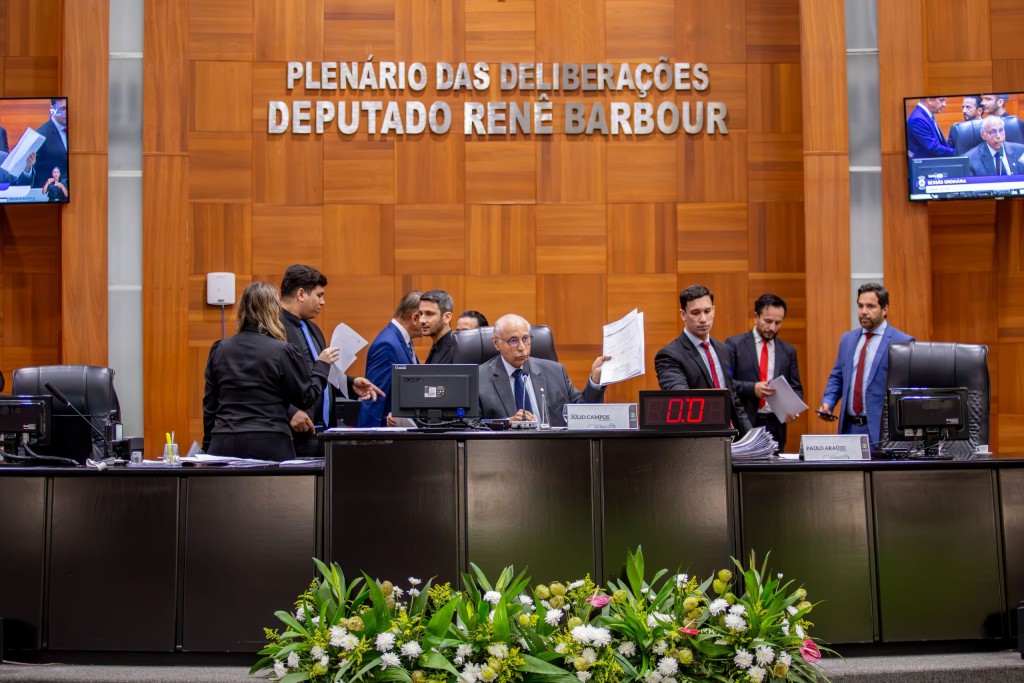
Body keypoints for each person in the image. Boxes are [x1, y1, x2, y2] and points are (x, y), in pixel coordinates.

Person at [202, 281, 339, 461]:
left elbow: (210, 406)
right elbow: (306, 397)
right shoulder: (282, 351)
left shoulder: (219, 349)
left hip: (224, 441)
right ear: (274, 310)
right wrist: (321, 365)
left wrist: (207, 447)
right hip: (269, 443)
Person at [279, 265, 383, 456]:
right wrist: (290, 412)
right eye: (319, 295)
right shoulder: (274, 328)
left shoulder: (314, 330)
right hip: (293, 437)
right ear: (301, 294)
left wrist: (349, 383)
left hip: (322, 435)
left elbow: (318, 374)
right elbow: (263, 381)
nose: (323, 302)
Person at [817, 282, 914, 446]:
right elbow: (837, 377)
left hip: (880, 431)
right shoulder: (847, 340)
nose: (863, 311)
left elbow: (907, 390)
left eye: (870, 306)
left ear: (884, 309)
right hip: (848, 429)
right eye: (860, 306)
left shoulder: (902, 342)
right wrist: (828, 402)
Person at [477, 314, 609, 426]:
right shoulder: (478, 379)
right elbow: (471, 425)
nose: (522, 347)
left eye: (525, 338)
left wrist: (595, 381)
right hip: (505, 447)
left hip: (551, 446)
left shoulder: (556, 372)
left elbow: (582, 415)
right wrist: (506, 423)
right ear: (496, 343)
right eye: (513, 341)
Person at [654, 284, 752, 435]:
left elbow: (733, 400)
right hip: (698, 438)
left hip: (732, 437)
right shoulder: (669, 355)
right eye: (695, 313)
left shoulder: (724, 350)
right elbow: (680, 398)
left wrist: (752, 436)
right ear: (683, 314)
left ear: (714, 310)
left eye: (707, 311)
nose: (703, 319)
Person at [726, 293, 803, 451]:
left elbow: (796, 388)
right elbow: (726, 384)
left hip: (775, 424)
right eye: (768, 321)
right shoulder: (734, 345)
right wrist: (752, 388)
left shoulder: (788, 351)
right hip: (744, 421)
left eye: (778, 323)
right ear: (756, 317)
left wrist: (792, 408)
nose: (772, 328)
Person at [358, 291, 423, 427]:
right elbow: (374, 397)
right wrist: (367, 436)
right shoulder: (387, 344)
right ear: (415, 318)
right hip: (386, 433)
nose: (428, 322)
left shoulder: (401, 341)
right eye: (426, 315)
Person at [32, 98, 68, 189]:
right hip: (51, 192)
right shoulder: (40, 135)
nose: (67, 112)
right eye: (63, 109)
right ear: (53, 109)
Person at [421, 289, 455, 364]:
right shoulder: (436, 346)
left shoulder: (456, 351)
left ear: (447, 317)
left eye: (429, 314)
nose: (422, 320)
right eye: (421, 314)